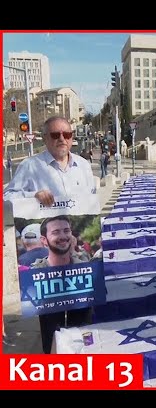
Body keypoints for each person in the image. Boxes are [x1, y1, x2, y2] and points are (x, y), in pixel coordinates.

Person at [3, 116, 96, 354]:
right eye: (55, 135)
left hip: (78, 269)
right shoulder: (31, 166)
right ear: (45, 138)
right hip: (49, 274)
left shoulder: (84, 166)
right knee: (52, 326)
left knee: (82, 322)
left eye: (67, 134)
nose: (62, 139)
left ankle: (82, 367)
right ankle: (54, 369)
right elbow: (7, 197)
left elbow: (91, 203)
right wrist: (32, 196)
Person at [30, 216, 91, 354]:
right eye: (56, 232)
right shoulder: (35, 273)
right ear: (44, 240)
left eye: (66, 230)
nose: (63, 236)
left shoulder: (87, 268)